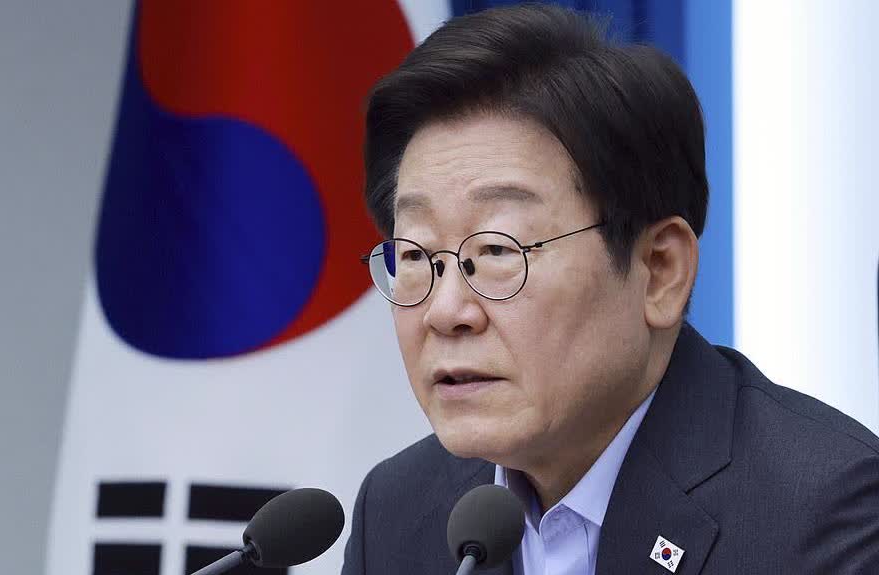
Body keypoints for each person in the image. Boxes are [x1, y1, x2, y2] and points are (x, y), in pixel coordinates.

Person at [341, 4, 879, 574]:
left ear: (660, 270)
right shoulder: (397, 512)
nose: (446, 310)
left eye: (498, 250)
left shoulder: (824, 516)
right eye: (417, 255)